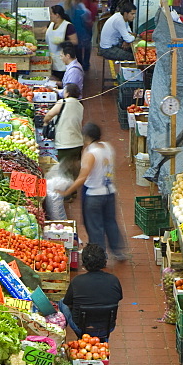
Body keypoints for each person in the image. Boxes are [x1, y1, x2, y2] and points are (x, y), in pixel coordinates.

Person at [62, 122, 128, 261]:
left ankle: (99, 256)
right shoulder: (107, 147)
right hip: (109, 192)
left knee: (95, 227)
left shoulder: (91, 153)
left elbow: (83, 177)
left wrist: (68, 191)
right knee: (110, 222)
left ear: (86, 137)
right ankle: (117, 251)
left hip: (94, 195)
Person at [59, 243, 122, 339]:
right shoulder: (114, 280)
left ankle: (75, 337)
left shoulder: (77, 281)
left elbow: (67, 302)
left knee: (61, 302)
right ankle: (101, 341)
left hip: (81, 327)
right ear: (104, 261)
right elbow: (119, 297)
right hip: (107, 327)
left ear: (84, 262)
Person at [44, 82, 84, 173]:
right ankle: (74, 186)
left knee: (64, 171)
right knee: (75, 169)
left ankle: (67, 187)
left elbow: (49, 115)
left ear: (67, 93)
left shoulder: (63, 102)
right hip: (78, 143)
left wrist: (45, 122)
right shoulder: (80, 105)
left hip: (65, 143)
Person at [45, 5, 78, 78]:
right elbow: (44, 30)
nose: (50, 15)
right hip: (52, 58)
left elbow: (75, 41)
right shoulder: (51, 24)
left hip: (63, 60)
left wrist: (63, 43)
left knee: (61, 79)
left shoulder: (68, 26)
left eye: (51, 14)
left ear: (57, 15)